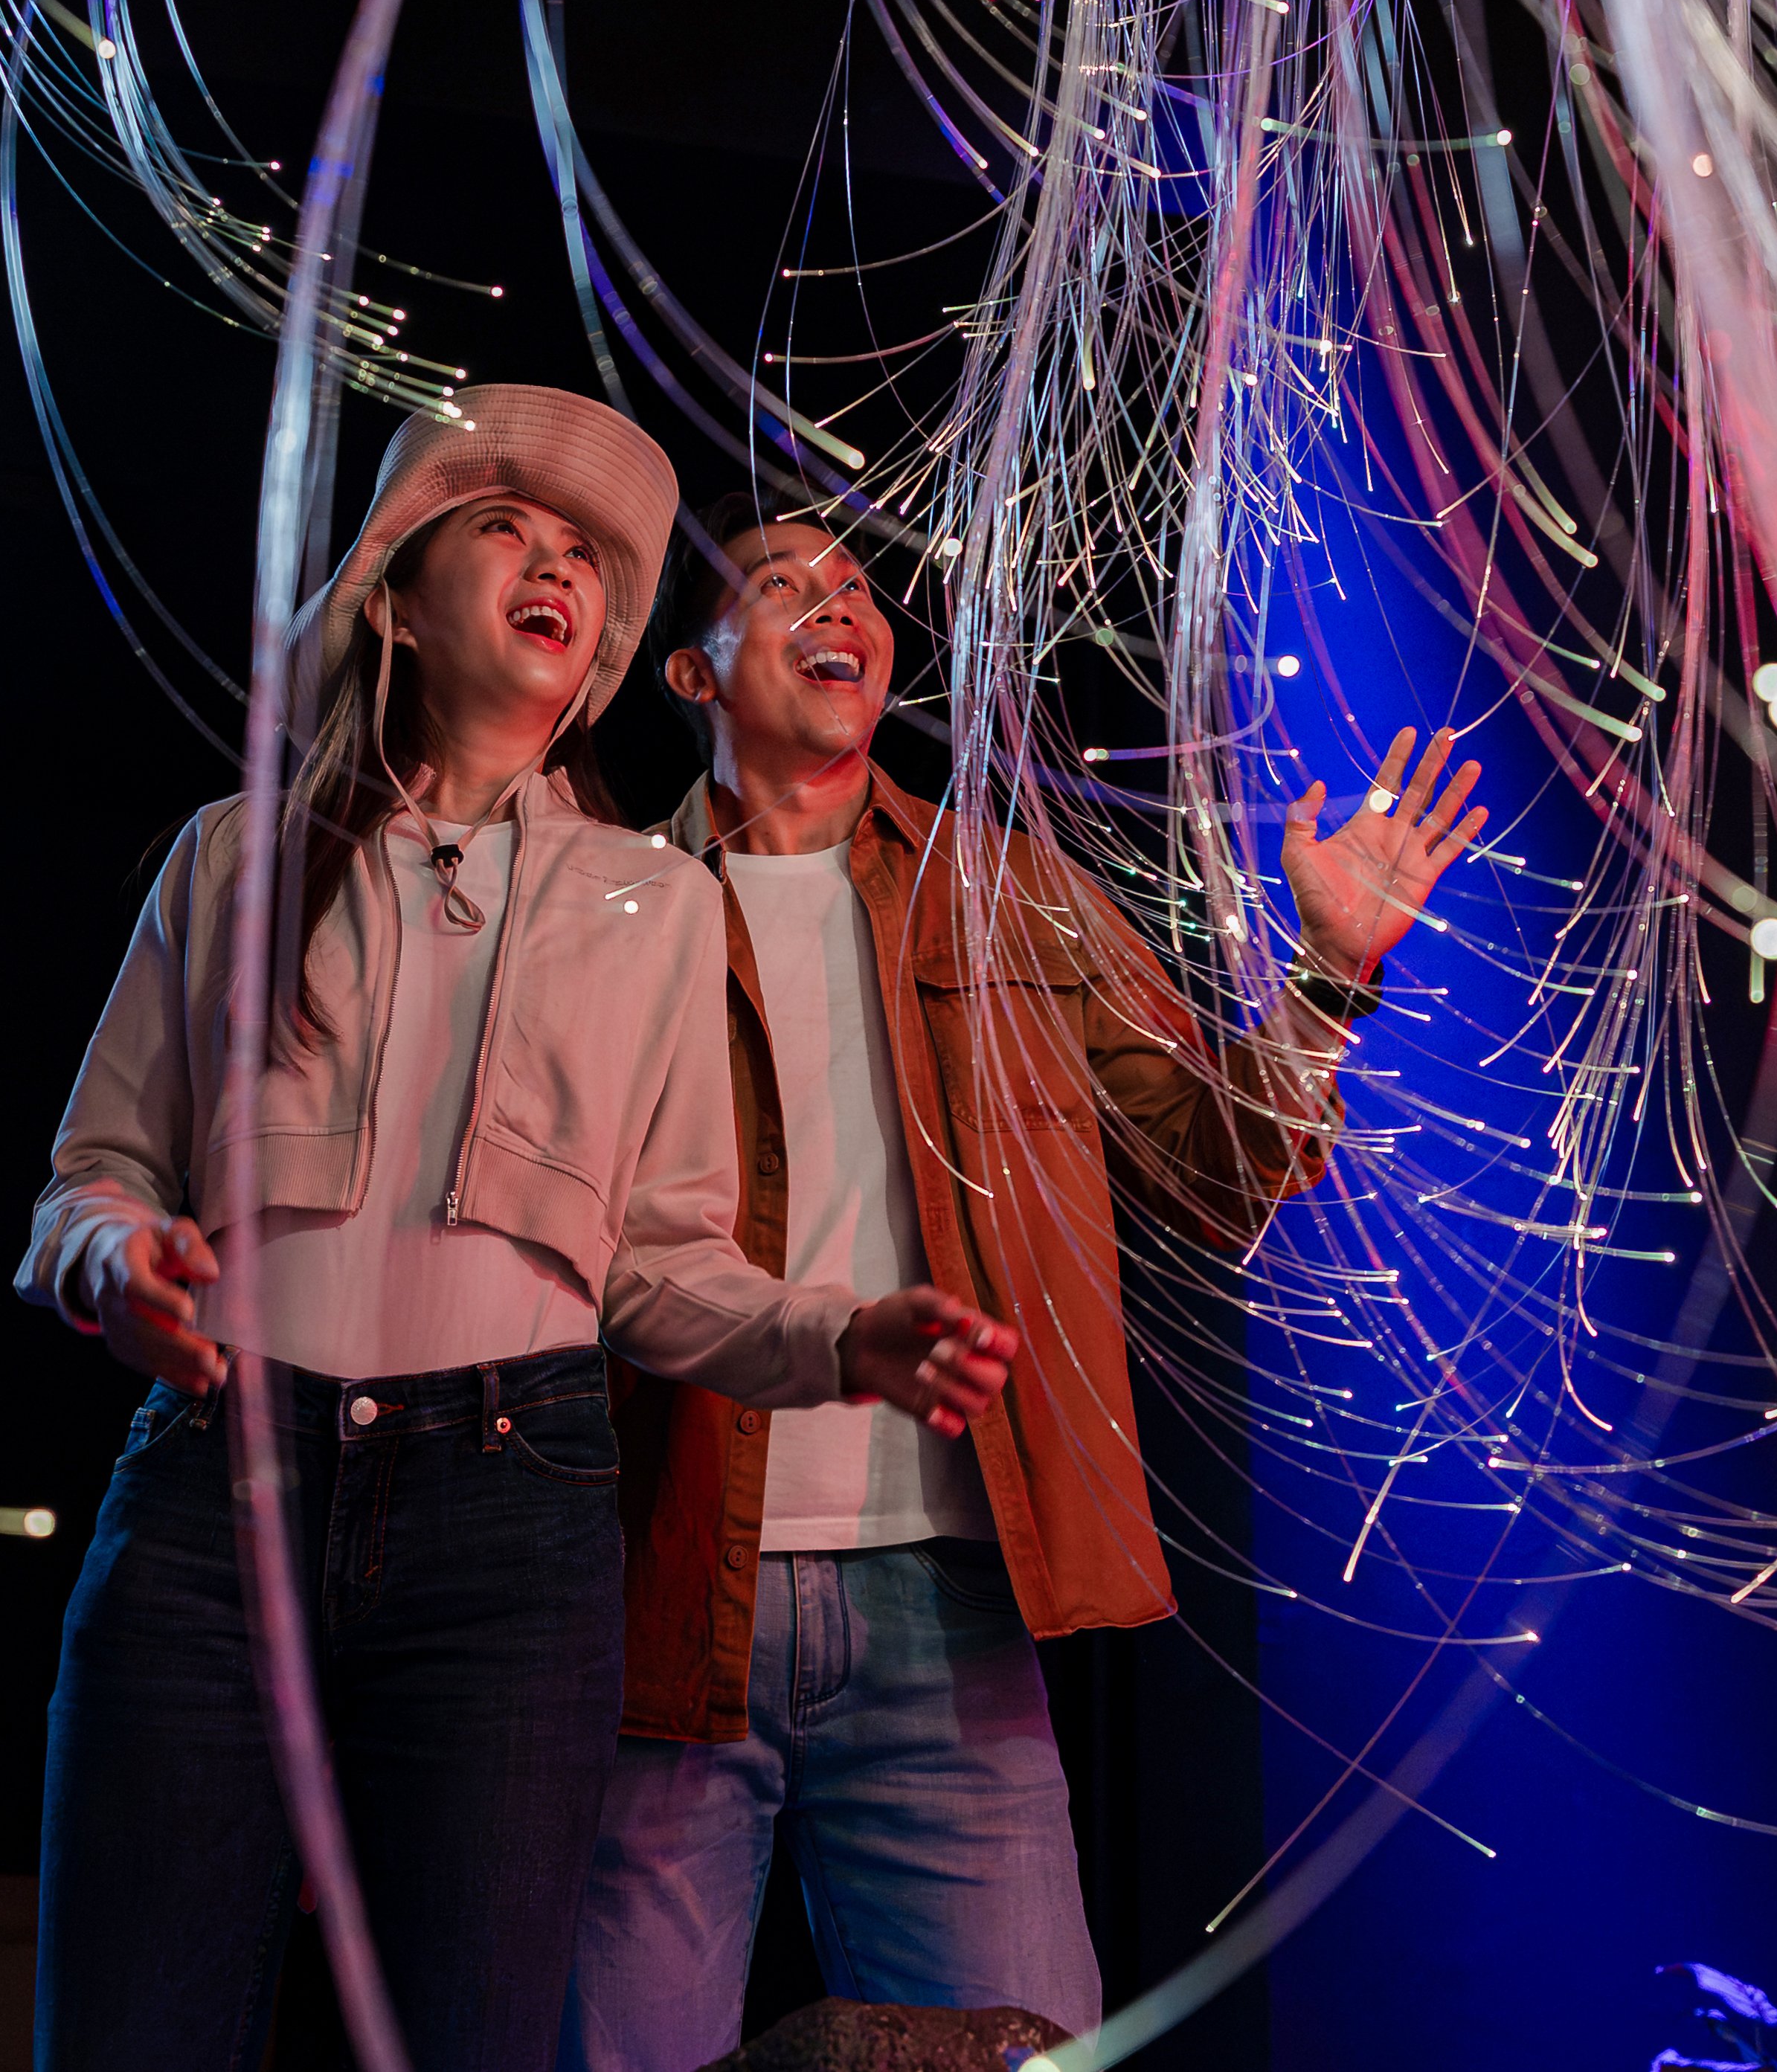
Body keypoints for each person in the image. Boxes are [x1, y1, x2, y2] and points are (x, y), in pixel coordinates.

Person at [20, 395, 1022, 2072]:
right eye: (504, 528)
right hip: (218, 1490)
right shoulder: (230, 858)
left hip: (512, 1521)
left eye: (584, 558)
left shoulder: (659, 907)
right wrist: (112, 1265)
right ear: (395, 598)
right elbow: (86, 1177)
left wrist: (838, 1335)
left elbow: (659, 1266)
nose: (555, 559)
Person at [560, 515, 1488, 2067]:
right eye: (781, 591)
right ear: (687, 672)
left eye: (856, 592)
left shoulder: (1013, 897)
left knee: (1023, 2046)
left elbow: (1214, 1170)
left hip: (948, 1597)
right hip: (657, 1587)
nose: (836, 608)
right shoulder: (596, 909)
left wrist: (1324, 974)